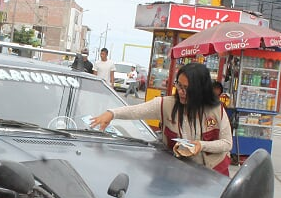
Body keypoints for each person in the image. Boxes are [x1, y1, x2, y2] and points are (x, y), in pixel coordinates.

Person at [90, 62, 233, 175]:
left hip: (213, 174)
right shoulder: (166, 104)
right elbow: (135, 111)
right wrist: (111, 114)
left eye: (186, 88)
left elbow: (227, 143)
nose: (181, 92)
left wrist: (201, 145)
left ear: (200, 90)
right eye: (179, 85)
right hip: (180, 174)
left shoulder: (216, 110)